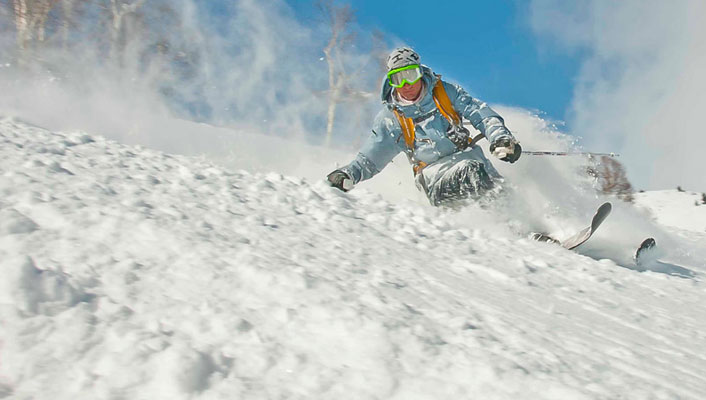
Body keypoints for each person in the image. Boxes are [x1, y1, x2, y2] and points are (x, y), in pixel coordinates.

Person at [327, 47, 522, 206]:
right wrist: (347, 174)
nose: (406, 84)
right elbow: (371, 157)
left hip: (477, 166)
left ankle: (531, 233)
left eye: (410, 75)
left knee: (501, 189)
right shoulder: (392, 119)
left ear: (420, 74)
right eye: (398, 78)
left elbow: (480, 113)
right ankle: (511, 228)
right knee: (470, 172)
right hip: (436, 181)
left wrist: (501, 139)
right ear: (391, 82)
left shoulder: (444, 93)